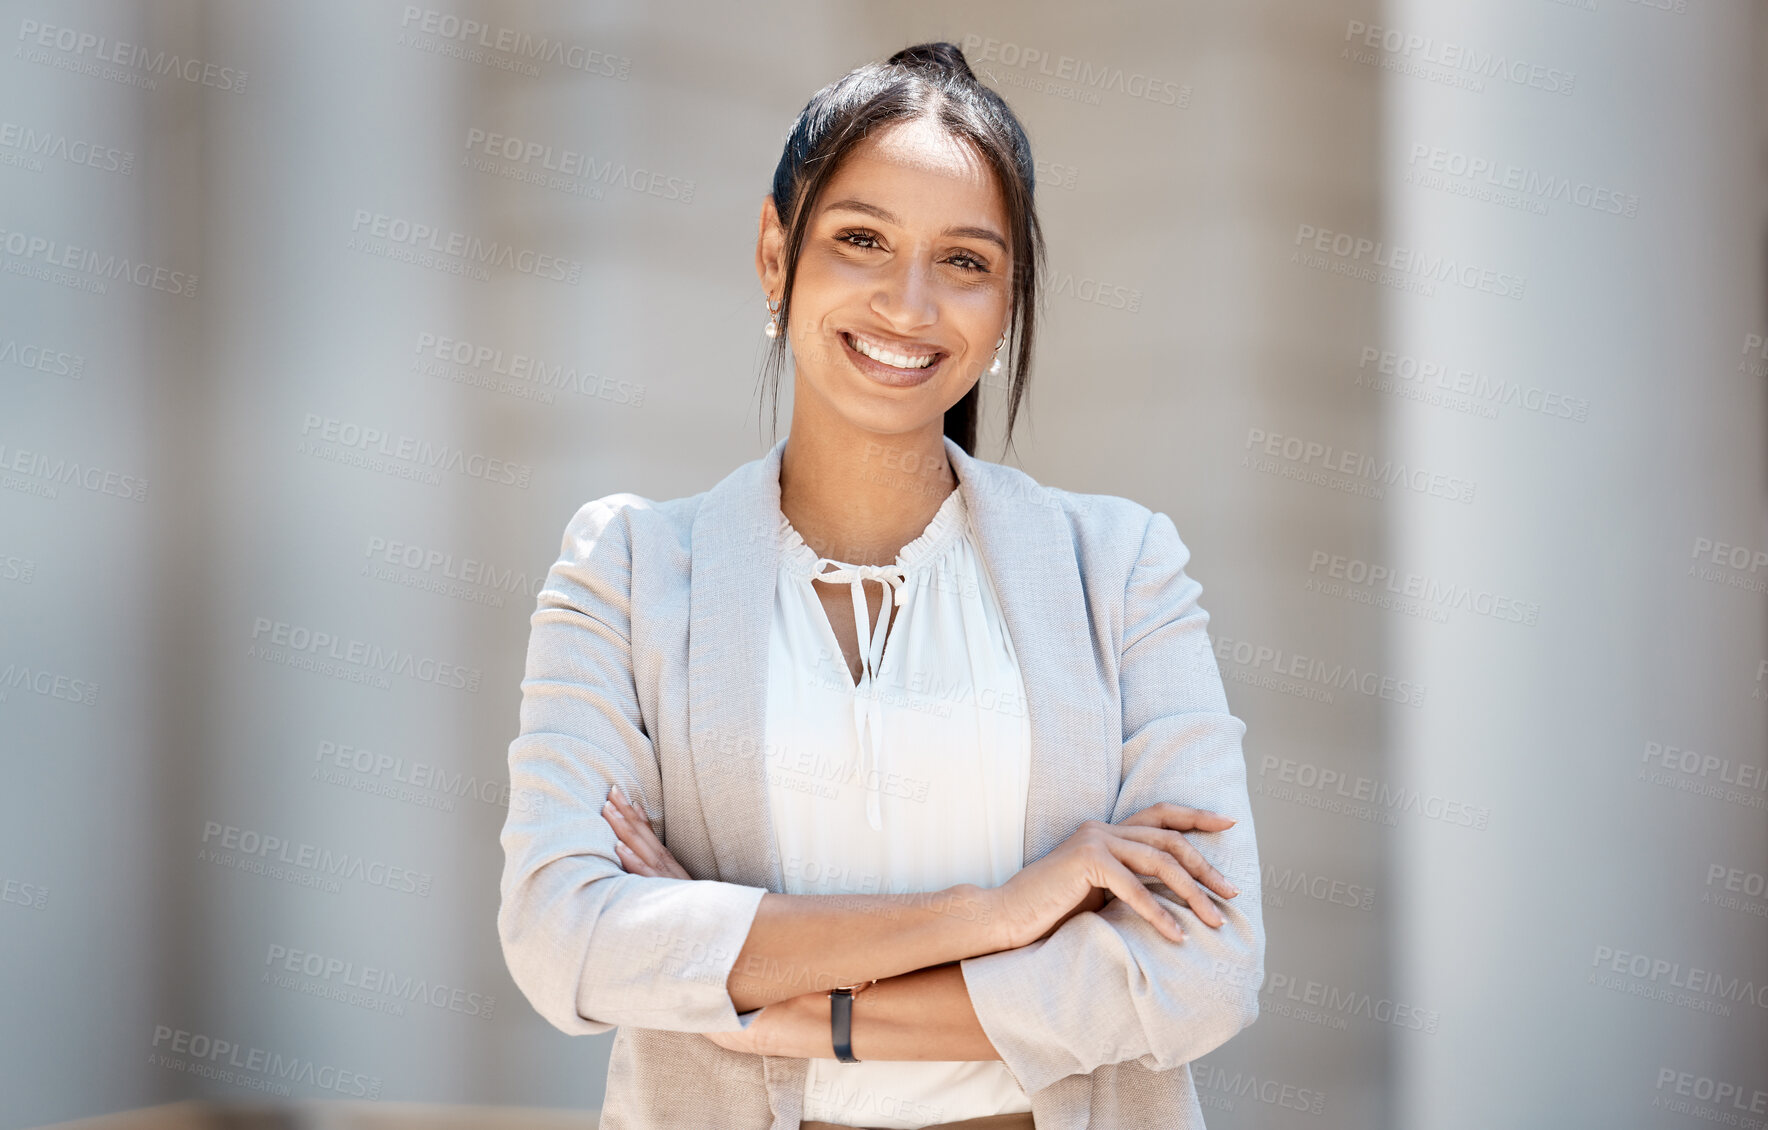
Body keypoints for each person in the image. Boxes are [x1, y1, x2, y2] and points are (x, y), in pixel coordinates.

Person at [498, 41, 1265, 1130]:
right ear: (776, 256)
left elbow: (1201, 973)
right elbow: (561, 935)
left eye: (965, 261)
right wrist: (996, 914)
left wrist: (763, 998)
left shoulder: (1123, 570)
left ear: (1007, 304)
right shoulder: (624, 572)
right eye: (861, 240)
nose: (909, 304)